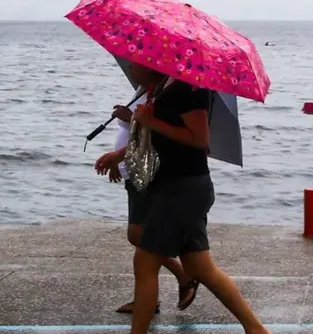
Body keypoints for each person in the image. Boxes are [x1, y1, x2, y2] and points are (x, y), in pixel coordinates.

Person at [95, 63, 272, 334]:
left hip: (183, 190)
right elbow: (153, 138)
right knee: (200, 267)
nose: (131, 69)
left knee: (144, 263)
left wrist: (150, 119)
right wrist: (122, 151)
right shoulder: (161, 88)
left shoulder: (189, 90)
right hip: (176, 188)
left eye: (135, 64)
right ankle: (256, 329)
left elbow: (200, 139)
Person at [105, 75, 200, 315]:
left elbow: (156, 135)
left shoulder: (164, 93)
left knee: (140, 236)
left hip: (146, 172)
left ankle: (180, 278)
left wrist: (131, 118)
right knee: (142, 240)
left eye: (135, 61)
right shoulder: (146, 89)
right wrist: (118, 158)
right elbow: (135, 133)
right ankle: (149, 298)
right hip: (133, 169)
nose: (131, 65)